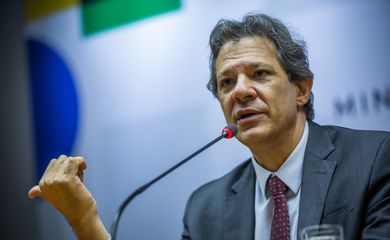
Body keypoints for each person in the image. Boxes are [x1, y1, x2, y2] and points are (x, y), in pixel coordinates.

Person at [28, 13, 390, 240]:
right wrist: (84, 220)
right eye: (226, 83)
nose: (241, 91)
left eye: (259, 74)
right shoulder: (206, 210)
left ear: (301, 88)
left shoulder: (374, 162)